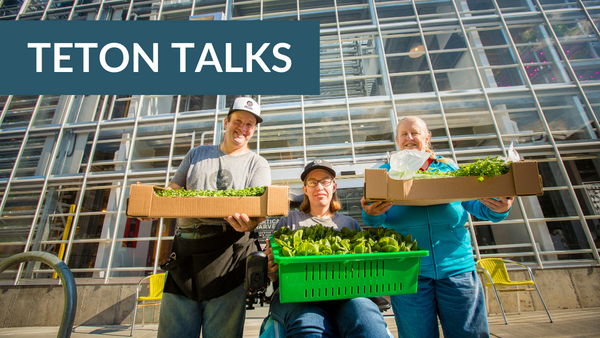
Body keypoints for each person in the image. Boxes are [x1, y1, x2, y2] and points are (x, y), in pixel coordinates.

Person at [361, 116, 514, 338]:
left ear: (427, 137)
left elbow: (476, 204)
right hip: (409, 273)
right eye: (403, 134)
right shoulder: (385, 174)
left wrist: (499, 209)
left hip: (456, 269)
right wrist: (370, 213)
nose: (409, 138)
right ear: (397, 140)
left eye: (414, 133)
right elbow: (376, 219)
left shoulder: (449, 168)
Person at [149, 97, 271, 338]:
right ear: (226, 122)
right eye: (238, 121)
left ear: (254, 130)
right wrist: (152, 206)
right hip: (185, 255)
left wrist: (252, 223)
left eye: (249, 124)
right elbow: (173, 189)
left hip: (228, 258)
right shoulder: (197, 154)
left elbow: (260, 212)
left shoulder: (258, 164)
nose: (243, 128)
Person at [265, 159, 390, 338]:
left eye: (325, 181)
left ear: (334, 187)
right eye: (312, 182)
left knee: (369, 321)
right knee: (309, 327)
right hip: (296, 295)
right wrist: (270, 269)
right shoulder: (288, 221)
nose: (319, 187)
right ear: (305, 189)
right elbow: (275, 276)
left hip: (345, 295)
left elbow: (361, 273)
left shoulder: (349, 224)